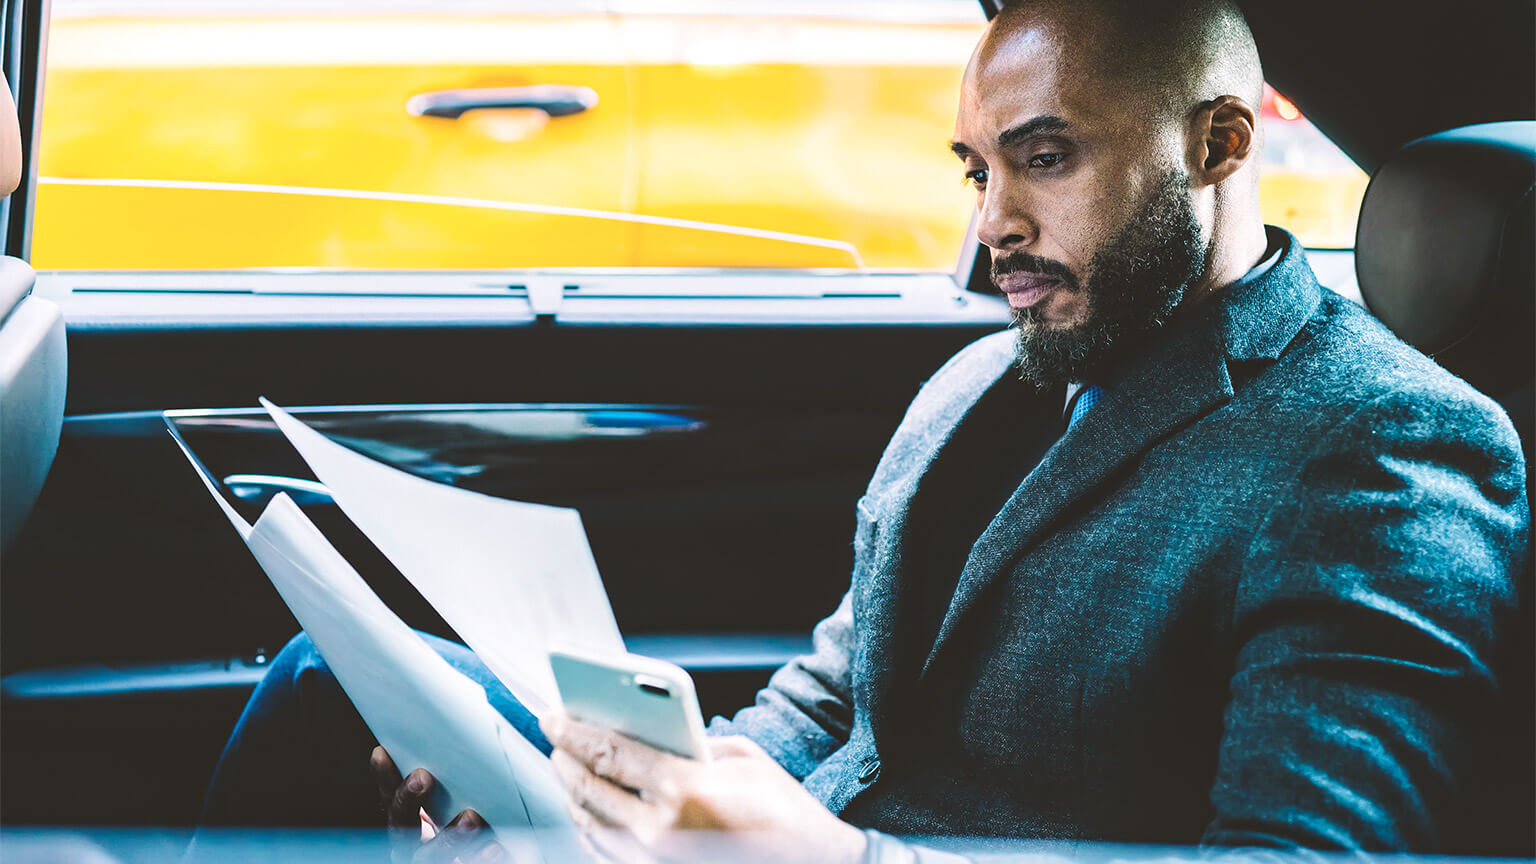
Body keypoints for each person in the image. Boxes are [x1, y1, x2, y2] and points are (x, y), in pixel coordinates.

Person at [198, 1, 1529, 861]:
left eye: (1045, 157)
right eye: (977, 169)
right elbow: (832, 698)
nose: (995, 219)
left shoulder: (1389, 449)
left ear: (1219, 143)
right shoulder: (974, 384)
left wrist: (828, 860)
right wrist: (614, 795)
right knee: (326, 679)